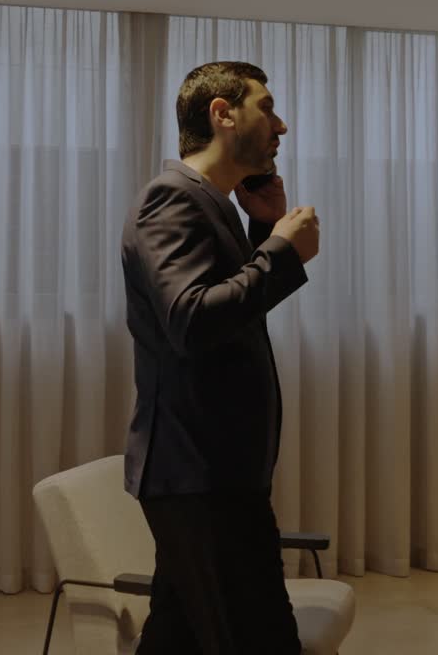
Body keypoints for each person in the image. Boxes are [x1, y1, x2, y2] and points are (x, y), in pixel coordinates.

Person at [120, 61, 320, 654]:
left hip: (213, 472)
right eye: (266, 107)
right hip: (200, 474)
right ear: (222, 113)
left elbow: (222, 318)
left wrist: (261, 234)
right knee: (258, 637)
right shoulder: (171, 199)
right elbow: (190, 320)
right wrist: (283, 255)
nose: (280, 125)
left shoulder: (214, 204)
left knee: (180, 636)